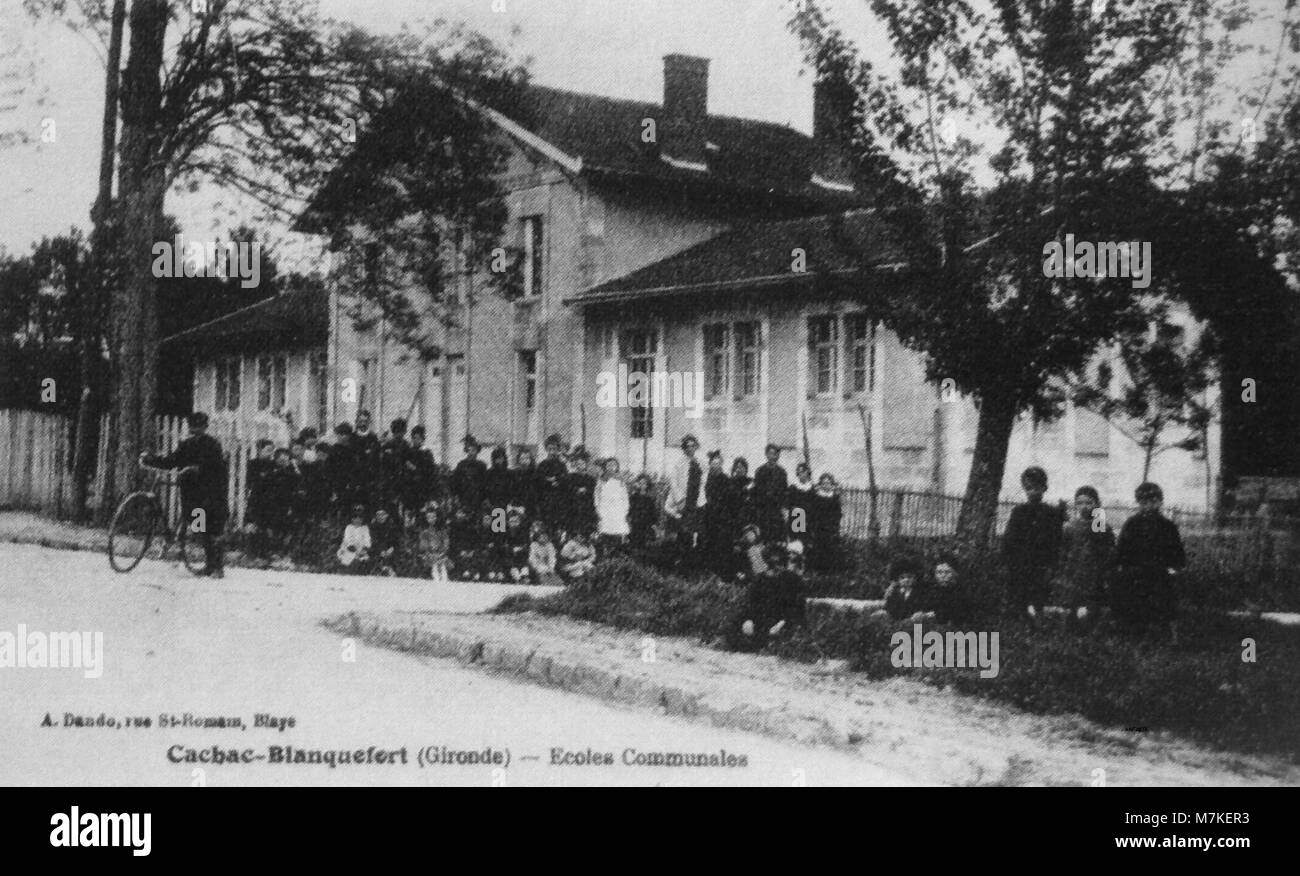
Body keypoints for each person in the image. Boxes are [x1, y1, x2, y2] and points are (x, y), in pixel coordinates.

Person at [140, 412, 228, 577]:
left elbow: (217, 468)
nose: (195, 430)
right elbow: (172, 461)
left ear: (205, 427)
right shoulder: (185, 445)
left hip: (210, 493)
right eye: (193, 427)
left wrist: (197, 469)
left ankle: (217, 567)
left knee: (212, 528)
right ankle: (209, 565)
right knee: (200, 528)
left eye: (199, 427)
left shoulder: (213, 445)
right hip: (191, 492)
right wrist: (151, 460)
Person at [1113, 482, 1186, 640]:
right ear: (1139, 503)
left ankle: (1169, 637)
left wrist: (1174, 567)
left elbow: (1176, 550)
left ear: (1160, 502)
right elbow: (1122, 548)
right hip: (1136, 571)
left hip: (1160, 571)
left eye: (1153, 501)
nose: (1149, 506)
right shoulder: (1132, 524)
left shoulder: (1168, 526)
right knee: (1134, 600)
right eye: (1144, 502)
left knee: (1164, 601)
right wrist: (1121, 565)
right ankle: (1136, 633)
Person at [1000, 466, 1065, 620]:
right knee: (1019, 594)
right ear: (1024, 489)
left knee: (1039, 593)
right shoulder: (1019, 511)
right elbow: (1010, 537)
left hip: (1041, 561)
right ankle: (1021, 619)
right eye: (1029, 488)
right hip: (1021, 561)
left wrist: (1053, 563)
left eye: (1037, 488)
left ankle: (1038, 618)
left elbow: (1056, 539)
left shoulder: (1050, 513)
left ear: (1044, 489)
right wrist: (1006, 559)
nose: (1033, 492)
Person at [1055, 486, 1114, 627]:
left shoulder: (1099, 525)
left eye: (1089, 503)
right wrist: (1063, 569)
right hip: (1074, 570)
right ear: (1075, 505)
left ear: (1096, 504)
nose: (1084, 507)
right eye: (1080, 503)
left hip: (1093, 571)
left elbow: (1105, 548)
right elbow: (1064, 550)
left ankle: (1090, 629)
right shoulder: (1070, 526)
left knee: (1091, 605)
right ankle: (1071, 630)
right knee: (1072, 604)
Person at [733, 543, 806, 651]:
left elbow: (797, 606)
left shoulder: (792, 579)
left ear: (783, 560)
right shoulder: (759, 579)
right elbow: (750, 603)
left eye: (779, 561)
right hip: (762, 619)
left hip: (783, 620)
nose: (776, 566)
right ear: (767, 561)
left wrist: (782, 623)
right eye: (772, 562)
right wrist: (748, 620)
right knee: (741, 628)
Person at [664, 434, 705, 566]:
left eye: (693, 446)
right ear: (684, 448)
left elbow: (704, 482)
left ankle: (693, 562)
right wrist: (680, 499)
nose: (690, 449)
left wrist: (702, 500)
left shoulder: (700, 462)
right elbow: (673, 481)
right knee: (683, 532)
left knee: (695, 533)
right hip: (684, 501)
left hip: (696, 500)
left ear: (696, 447)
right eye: (687, 446)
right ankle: (680, 562)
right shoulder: (679, 463)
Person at [244, 439, 277, 564]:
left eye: (272, 451)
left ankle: (264, 554)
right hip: (256, 498)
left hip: (270, 500)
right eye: (268, 450)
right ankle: (251, 554)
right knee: (253, 525)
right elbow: (252, 481)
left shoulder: (273, 465)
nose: (270, 453)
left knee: (266, 526)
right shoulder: (253, 464)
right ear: (259, 450)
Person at [701, 450, 733, 575]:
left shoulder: (725, 479)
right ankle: (709, 571)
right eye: (713, 463)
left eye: (718, 463)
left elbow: (728, 498)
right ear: (710, 464)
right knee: (709, 541)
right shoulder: (706, 478)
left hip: (722, 516)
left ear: (721, 464)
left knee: (721, 543)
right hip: (708, 515)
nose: (715, 465)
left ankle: (721, 571)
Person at [752, 444, 789, 547]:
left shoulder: (782, 472)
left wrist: (784, 508)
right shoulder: (760, 471)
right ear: (766, 455)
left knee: (777, 541)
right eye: (771, 454)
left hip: (777, 511)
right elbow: (756, 492)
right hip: (764, 510)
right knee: (764, 541)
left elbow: (784, 491)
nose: (773, 456)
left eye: (776, 454)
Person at [807, 472, 843, 573]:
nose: (826, 485)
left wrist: (835, 525)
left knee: (830, 548)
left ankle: (829, 570)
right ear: (821, 484)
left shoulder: (835, 497)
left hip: (831, 527)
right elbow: (813, 512)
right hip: (819, 527)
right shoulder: (817, 497)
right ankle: (818, 570)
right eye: (823, 483)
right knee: (819, 548)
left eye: (828, 483)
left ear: (831, 484)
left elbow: (838, 513)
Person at [594, 457, 630, 553]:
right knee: (605, 532)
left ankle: (617, 554)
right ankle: (605, 554)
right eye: (608, 465)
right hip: (605, 508)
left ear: (617, 467)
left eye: (613, 465)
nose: (611, 467)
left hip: (617, 508)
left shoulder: (621, 480)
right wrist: (598, 509)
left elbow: (624, 496)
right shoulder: (601, 480)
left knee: (617, 532)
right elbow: (597, 495)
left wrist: (625, 510)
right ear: (605, 467)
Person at [563, 446, 598, 537]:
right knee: (574, 531)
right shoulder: (571, 476)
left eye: (582, 463)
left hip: (586, 508)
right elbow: (567, 490)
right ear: (575, 464)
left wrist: (586, 490)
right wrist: (577, 490)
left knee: (586, 531)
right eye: (578, 463)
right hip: (574, 507)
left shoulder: (591, 478)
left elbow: (594, 492)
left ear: (586, 464)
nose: (580, 465)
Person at [536, 434, 569, 529]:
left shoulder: (562, 465)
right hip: (546, 500)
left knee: (558, 526)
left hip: (559, 500)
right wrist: (549, 481)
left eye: (554, 449)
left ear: (557, 449)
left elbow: (565, 479)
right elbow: (538, 480)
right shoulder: (542, 464)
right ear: (546, 449)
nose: (552, 451)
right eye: (549, 449)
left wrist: (557, 480)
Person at [378, 419, 411, 514]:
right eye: (396, 432)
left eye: (401, 432)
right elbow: (383, 464)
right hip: (390, 482)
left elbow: (408, 462)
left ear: (404, 432)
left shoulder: (406, 446)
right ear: (393, 432)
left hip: (403, 481)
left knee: (403, 509)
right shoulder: (388, 445)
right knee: (391, 507)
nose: (399, 434)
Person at [882, 556, 928, 621]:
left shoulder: (920, 593)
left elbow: (921, 610)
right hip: (895, 624)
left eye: (909, 577)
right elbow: (888, 609)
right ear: (897, 579)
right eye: (902, 577)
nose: (906, 580)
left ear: (915, 578)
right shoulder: (893, 593)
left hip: (914, 624)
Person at [451, 435, 487, 513]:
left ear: (477, 451)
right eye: (469, 450)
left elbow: (484, 483)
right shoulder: (461, 465)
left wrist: (484, 498)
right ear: (467, 451)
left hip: (477, 499)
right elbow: (455, 482)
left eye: (474, 450)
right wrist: (456, 496)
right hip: (464, 497)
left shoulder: (482, 465)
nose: (472, 452)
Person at [405, 426, 437, 515]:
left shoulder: (427, 453)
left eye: (418, 438)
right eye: (414, 438)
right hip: (411, 489)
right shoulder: (409, 452)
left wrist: (415, 469)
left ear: (423, 439)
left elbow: (429, 471)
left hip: (422, 488)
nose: (416, 440)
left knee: (421, 512)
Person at [418, 503, 450, 585]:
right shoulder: (425, 532)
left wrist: (442, 552)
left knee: (443, 564)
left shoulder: (442, 531)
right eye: (429, 517)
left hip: (441, 554)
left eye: (433, 517)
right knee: (432, 564)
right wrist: (429, 552)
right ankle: (434, 575)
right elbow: (423, 545)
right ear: (426, 519)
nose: (432, 519)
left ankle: (443, 577)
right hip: (429, 555)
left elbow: (446, 543)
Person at [336, 504, 372, 573]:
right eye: (355, 518)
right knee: (349, 560)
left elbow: (367, 539)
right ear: (352, 519)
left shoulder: (365, 528)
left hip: (361, 550)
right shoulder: (349, 527)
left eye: (360, 518)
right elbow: (348, 539)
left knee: (364, 561)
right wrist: (354, 550)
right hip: (349, 550)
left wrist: (364, 549)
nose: (357, 520)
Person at [628, 474, 658, 549]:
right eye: (640, 483)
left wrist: (654, 524)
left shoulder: (650, 499)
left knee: (644, 543)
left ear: (647, 485)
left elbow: (652, 512)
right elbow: (630, 509)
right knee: (634, 541)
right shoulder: (633, 497)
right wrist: (629, 519)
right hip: (635, 522)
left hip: (646, 523)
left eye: (644, 483)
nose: (642, 485)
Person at [787, 461, 815, 542]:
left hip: (808, 520)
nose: (801, 474)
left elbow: (814, 505)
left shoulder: (812, 488)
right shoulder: (793, 487)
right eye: (799, 472)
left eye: (803, 472)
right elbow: (789, 504)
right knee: (796, 542)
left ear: (807, 472)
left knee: (807, 542)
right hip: (796, 519)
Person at [369, 507, 400, 576]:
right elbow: (374, 540)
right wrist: (381, 550)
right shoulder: (373, 527)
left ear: (386, 515)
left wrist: (391, 548)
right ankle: (379, 570)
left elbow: (395, 540)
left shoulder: (392, 526)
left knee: (394, 554)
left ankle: (391, 571)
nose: (380, 517)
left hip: (390, 549)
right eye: (378, 515)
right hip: (377, 549)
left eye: (382, 514)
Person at [511, 448, 540, 519]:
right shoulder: (515, 473)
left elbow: (538, 491)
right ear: (519, 460)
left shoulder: (536, 473)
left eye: (527, 458)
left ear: (531, 459)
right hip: (519, 507)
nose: (524, 461)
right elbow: (512, 491)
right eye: (522, 458)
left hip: (533, 507)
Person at [483, 446, 513, 514]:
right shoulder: (489, 473)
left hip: (506, 506)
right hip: (492, 506)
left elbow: (513, 490)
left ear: (504, 459)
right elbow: (485, 490)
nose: (499, 461)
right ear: (493, 460)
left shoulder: (510, 473)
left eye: (501, 458)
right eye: (496, 459)